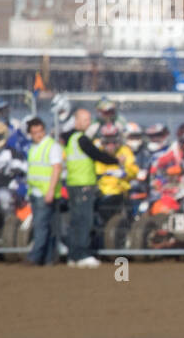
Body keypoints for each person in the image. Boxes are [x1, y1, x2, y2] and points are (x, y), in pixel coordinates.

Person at [62, 107, 121, 268]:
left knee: (75, 220)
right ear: (78, 121)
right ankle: (83, 254)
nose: (89, 123)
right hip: (83, 185)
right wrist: (116, 161)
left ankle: (73, 255)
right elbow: (97, 155)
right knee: (84, 220)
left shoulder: (70, 138)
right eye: (86, 119)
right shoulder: (82, 139)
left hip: (73, 184)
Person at [23, 117, 63, 267]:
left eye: (40, 131)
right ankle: (49, 258)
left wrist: (51, 191)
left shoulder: (51, 146)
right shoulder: (34, 147)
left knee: (41, 226)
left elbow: (57, 168)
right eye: (34, 132)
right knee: (47, 226)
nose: (38, 134)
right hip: (35, 191)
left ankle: (34, 257)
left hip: (46, 192)